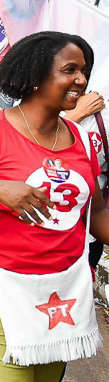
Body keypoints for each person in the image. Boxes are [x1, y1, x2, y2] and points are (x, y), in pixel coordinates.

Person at [0, 31, 109, 382]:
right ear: (35, 76)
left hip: (65, 287)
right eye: (70, 70)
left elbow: (98, 216)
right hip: (2, 284)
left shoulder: (81, 139)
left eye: (84, 71)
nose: (81, 79)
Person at [64, 91, 108, 271]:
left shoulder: (103, 114)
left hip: (85, 239)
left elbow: (98, 212)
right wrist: (74, 116)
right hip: (26, 239)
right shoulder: (26, 102)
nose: (78, 78)